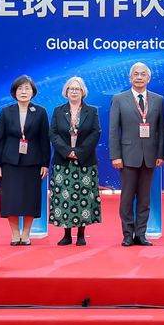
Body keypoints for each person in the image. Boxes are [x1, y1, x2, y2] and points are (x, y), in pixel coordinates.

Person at [109, 62, 164, 247]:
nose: (139, 77)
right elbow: (113, 130)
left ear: (149, 78)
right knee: (127, 198)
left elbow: (160, 130)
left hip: (150, 156)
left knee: (145, 199)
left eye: (143, 74)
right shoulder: (119, 99)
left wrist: (160, 154)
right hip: (127, 156)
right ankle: (127, 234)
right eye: (136, 74)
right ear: (130, 78)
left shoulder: (158, 100)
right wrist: (115, 156)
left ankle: (141, 234)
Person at [0, 75, 50, 246]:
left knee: (30, 198)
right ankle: (14, 233)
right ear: (14, 92)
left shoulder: (40, 112)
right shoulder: (6, 111)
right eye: (20, 89)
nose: (23, 92)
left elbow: (44, 139)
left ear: (33, 92)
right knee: (11, 198)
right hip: (9, 162)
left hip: (33, 162)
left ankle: (26, 234)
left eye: (27, 89)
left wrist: (45, 163)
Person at [49, 77, 102, 247]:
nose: (74, 91)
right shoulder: (58, 111)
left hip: (85, 161)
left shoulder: (91, 111)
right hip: (63, 161)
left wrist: (78, 152)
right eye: (71, 89)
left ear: (83, 92)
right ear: (66, 92)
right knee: (64, 197)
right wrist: (67, 151)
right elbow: (53, 134)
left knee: (83, 197)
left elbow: (95, 133)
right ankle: (66, 234)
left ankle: (81, 234)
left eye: (77, 89)